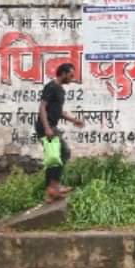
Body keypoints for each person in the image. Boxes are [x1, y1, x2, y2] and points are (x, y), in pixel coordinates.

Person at [35, 62, 85, 201]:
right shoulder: (51, 87)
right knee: (60, 153)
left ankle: (53, 188)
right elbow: (42, 107)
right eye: (70, 75)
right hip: (46, 126)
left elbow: (58, 112)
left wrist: (74, 120)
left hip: (51, 126)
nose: (72, 78)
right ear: (63, 73)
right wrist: (47, 128)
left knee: (57, 155)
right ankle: (53, 187)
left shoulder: (61, 90)